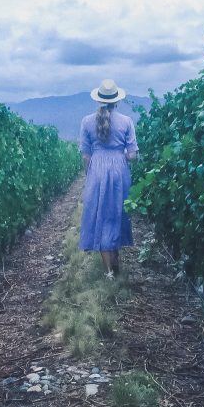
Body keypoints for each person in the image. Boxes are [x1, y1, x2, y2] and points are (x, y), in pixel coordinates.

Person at [79, 78, 138, 278]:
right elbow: (132, 155)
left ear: (98, 100)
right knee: (116, 215)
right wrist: (123, 156)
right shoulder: (126, 121)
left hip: (97, 171)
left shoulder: (87, 122)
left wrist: (90, 175)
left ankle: (109, 272)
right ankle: (115, 261)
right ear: (116, 100)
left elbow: (86, 155)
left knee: (100, 217)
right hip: (119, 171)